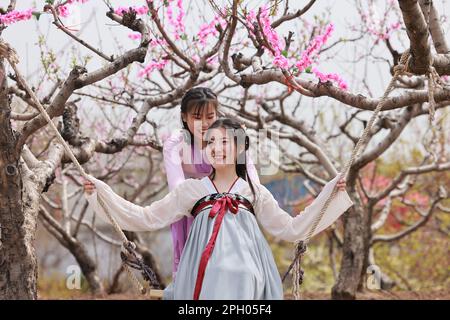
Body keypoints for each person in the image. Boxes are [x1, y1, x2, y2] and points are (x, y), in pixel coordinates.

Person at [83, 118, 353, 300]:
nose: (217, 148)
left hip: (248, 274)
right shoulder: (192, 190)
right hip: (203, 274)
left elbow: (292, 228)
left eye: (225, 142)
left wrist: (330, 193)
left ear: (240, 148)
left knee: (242, 277)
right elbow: (146, 216)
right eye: (210, 142)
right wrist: (102, 195)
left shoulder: (254, 191)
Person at [162, 87, 259, 279]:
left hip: (230, 205)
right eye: (197, 117)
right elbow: (177, 186)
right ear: (184, 117)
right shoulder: (175, 143)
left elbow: (250, 175)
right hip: (190, 208)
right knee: (192, 269)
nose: (204, 124)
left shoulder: (231, 137)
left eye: (210, 116)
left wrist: (252, 199)